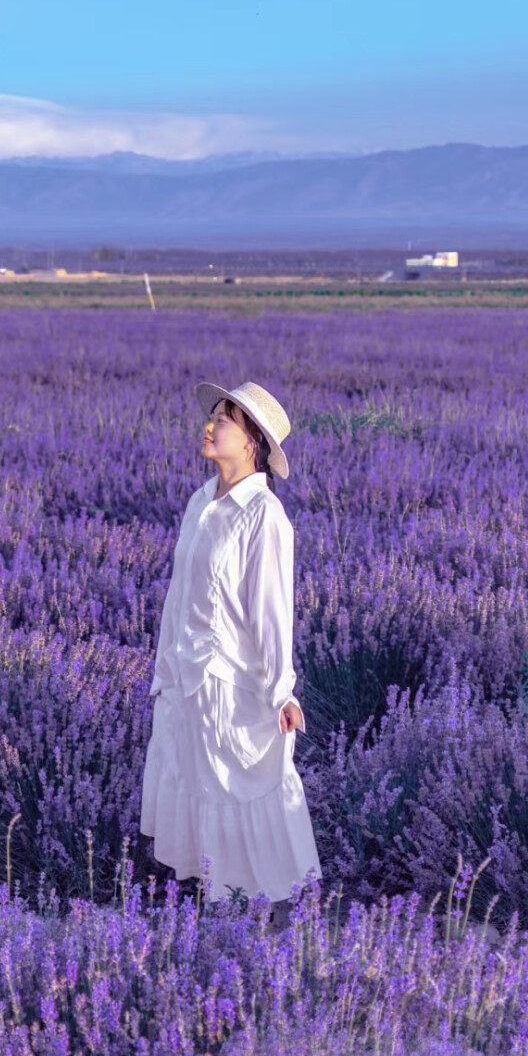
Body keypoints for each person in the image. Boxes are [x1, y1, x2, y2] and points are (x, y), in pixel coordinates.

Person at [139, 379, 322, 928]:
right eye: (215, 415)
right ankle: (217, 910)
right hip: (187, 677)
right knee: (197, 787)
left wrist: (281, 691)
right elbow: (180, 592)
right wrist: (165, 666)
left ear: (252, 443)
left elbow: (271, 614)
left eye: (225, 419)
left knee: (238, 788)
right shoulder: (203, 500)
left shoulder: (264, 516)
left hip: (230, 681)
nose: (211, 424)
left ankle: (267, 916)